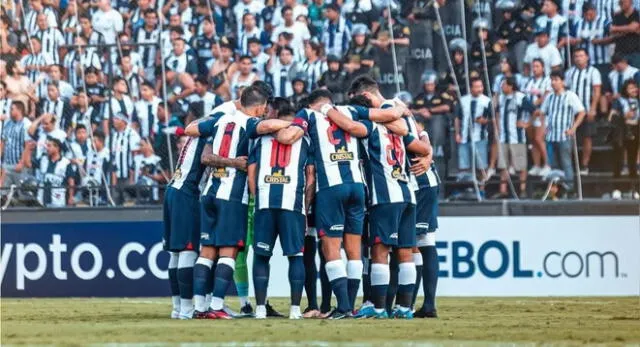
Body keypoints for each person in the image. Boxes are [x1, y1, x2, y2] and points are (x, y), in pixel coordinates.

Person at [325, 76, 429, 319]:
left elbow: (351, 127)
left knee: (380, 251)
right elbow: (423, 148)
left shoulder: (371, 127)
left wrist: (328, 109)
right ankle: (405, 308)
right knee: (405, 252)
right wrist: (427, 154)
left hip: (385, 195)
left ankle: (379, 307)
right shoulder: (401, 127)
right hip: (407, 193)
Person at [184, 85, 290, 319]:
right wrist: (297, 123)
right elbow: (270, 125)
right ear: (261, 106)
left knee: (207, 251)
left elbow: (190, 131)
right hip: (232, 196)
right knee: (228, 251)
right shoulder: (250, 123)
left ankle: (200, 308)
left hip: (210, 191)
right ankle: (217, 306)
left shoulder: (219, 120)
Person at [247, 97, 313, 320]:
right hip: (292, 204)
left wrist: (258, 197)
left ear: (275, 111)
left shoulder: (261, 139)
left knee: (261, 256)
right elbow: (311, 176)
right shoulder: (305, 138)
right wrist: (305, 205)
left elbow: (251, 173)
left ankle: (260, 309)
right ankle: (295, 310)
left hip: (266, 203)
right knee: (295, 255)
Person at [536, 71, 586, 195]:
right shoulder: (549, 97)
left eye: (556, 79)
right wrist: (544, 127)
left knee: (566, 163)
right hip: (551, 136)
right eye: (552, 80)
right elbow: (542, 112)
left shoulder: (570, 96)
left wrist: (573, 128)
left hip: (564, 135)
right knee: (554, 164)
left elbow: (581, 112)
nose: (553, 82)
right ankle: (556, 189)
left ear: (562, 81)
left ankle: (569, 188)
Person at [495, 77, 536, 198]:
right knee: (503, 165)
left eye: (504, 85)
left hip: (517, 137)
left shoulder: (520, 97)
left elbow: (535, 111)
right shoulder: (500, 98)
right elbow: (496, 113)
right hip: (503, 137)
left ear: (511, 86)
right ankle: (503, 190)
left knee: (521, 165)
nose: (502, 87)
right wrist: (497, 127)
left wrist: (527, 124)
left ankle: (522, 190)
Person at [565, 48, 602, 176]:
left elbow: (597, 91)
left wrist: (593, 108)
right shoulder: (570, 72)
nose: (578, 58)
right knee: (569, 137)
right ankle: (569, 165)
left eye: (581, 55)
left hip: (586, 109)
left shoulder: (593, 71)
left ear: (587, 57)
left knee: (587, 137)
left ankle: (585, 165)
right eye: (576, 56)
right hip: (571, 111)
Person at [454, 78, 493, 186]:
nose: (479, 89)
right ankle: (465, 188)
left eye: (481, 86)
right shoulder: (463, 100)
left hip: (479, 137)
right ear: (471, 88)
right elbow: (457, 118)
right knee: (463, 165)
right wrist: (457, 133)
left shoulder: (487, 101)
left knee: (481, 166)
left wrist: (484, 121)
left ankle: (482, 189)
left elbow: (493, 118)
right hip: (464, 137)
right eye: (476, 87)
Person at [609, 79, 639, 194]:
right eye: (631, 88)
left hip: (635, 131)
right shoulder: (619, 101)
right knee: (618, 162)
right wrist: (624, 116)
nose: (634, 90)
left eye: (635, 87)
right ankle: (616, 189)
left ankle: (634, 189)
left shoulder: (638, 100)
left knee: (632, 163)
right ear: (625, 90)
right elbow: (611, 117)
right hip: (622, 131)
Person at [522, 59, 552, 176]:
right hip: (530, 115)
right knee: (533, 140)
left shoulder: (547, 80)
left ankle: (547, 164)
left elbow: (546, 96)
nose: (535, 69)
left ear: (543, 68)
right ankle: (536, 165)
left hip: (541, 114)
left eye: (537, 66)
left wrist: (533, 106)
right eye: (533, 67)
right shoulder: (529, 81)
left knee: (540, 139)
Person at [109, 113, 141, 205]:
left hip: (128, 175)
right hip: (115, 176)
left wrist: (132, 176)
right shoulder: (114, 135)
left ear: (123, 121)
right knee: (115, 201)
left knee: (128, 201)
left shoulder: (132, 134)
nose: (114, 121)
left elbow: (135, 156)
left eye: (116, 119)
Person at [36, 137, 76, 207]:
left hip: (58, 201)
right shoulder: (43, 159)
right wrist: (28, 149)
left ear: (57, 148)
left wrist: (70, 197)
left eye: (49, 146)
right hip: (41, 201)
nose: (47, 148)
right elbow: (28, 164)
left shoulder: (65, 162)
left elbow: (71, 181)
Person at [1, 102, 33, 188]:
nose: (10, 111)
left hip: (19, 165)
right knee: (2, 191)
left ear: (19, 110)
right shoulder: (8, 123)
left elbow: (28, 146)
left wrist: (21, 162)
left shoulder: (26, 124)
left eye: (12, 109)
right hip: (7, 164)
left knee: (21, 193)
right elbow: (3, 142)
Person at [609, 0, 640, 68]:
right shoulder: (617, 15)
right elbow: (611, 32)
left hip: (636, 52)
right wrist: (628, 29)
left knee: (637, 75)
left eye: (623, 2)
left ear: (631, 2)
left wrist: (616, 29)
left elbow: (633, 28)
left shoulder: (637, 14)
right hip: (620, 53)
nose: (621, 4)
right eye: (620, 2)